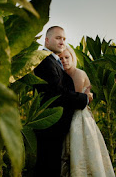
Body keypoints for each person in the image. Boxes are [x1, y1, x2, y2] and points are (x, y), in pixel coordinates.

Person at [33, 26, 92, 176]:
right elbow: (57, 94)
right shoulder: (44, 61)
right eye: (58, 38)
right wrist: (84, 98)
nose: (62, 41)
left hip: (56, 125)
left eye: (64, 39)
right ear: (47, 40)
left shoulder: (53, 61)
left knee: (52, 166)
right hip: (50, 126)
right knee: (48, 167)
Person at [59, 46, 115, 177]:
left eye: (67, 57)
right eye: (61, 58)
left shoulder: (78, 73)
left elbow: (76, 99)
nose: (64, 61)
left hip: (79, 117)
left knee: (81, 150)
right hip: (70, 114)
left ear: (72, 58)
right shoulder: (63, 75)